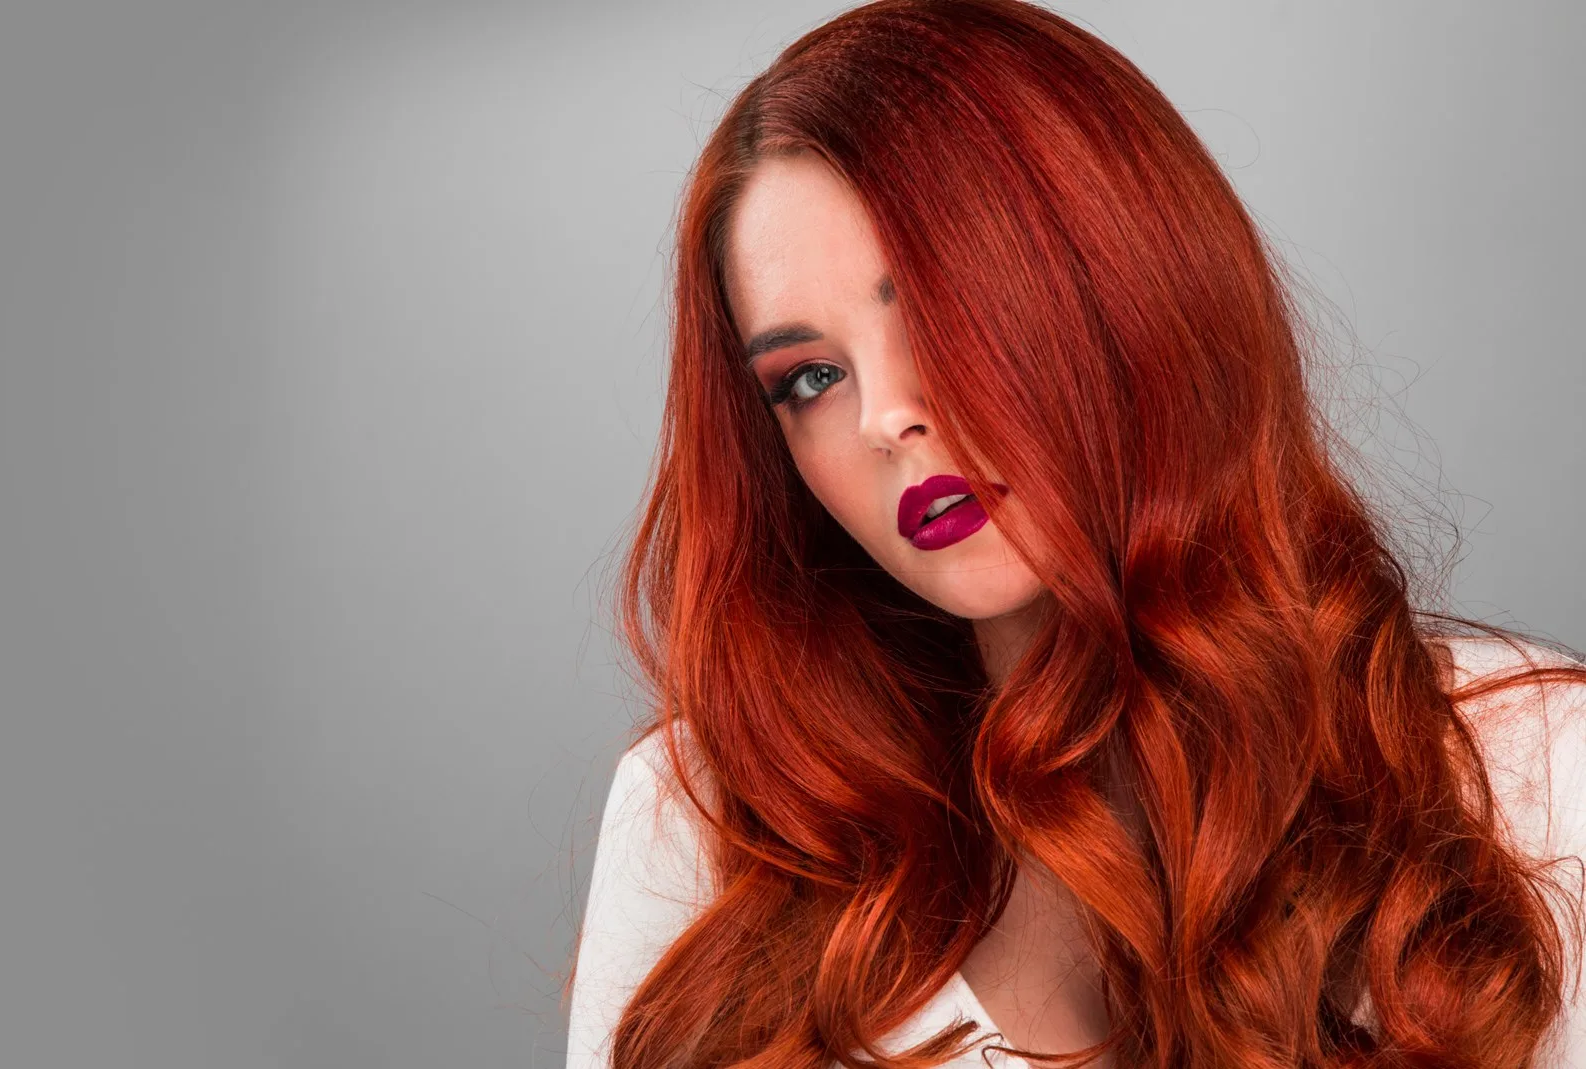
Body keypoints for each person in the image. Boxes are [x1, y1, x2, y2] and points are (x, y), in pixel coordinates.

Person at [561, 1, 1586, 1067]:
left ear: (1124, 292)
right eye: (810, 377)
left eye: (938, 314)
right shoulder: (712, 818)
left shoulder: (1534, 777)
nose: (883, 418)